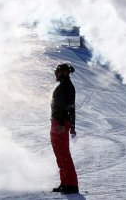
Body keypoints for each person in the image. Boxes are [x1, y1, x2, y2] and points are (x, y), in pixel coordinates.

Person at [50, 63, 79, 194]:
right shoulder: (62, 85)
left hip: (61, 124)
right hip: (57, 122)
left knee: (64, 154)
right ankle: (65, 183)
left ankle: (72, 185)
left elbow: (68, 107)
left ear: (65, 72)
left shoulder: (67, 86)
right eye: (57, 71)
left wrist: (64, 124)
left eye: (59, 71)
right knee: (59, 155)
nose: (56, 74)